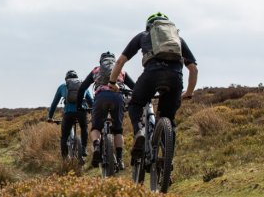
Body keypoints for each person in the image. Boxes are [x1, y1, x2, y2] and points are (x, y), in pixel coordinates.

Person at [108, 12, 198, 161]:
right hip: (175, 78)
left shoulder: (143, 35)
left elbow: (120, 62)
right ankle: (167, 161)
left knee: (135, 104)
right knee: (168, 118)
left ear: (149, 26)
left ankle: (140, 132)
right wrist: (189, 92)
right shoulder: (178, 40)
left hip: (151, 75)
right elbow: (193, 69)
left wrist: (112, 83)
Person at [76, 51, 135, 170]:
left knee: (96, 128)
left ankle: (97, 146)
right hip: (117, 98)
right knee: (118, 130)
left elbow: (82, 88)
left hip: (101, 97)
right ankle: (119, 160)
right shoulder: (121, 70)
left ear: (101, 62)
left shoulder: (96, 70)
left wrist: (79, 105)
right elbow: (134, 87)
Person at [47, 70, 93, 159]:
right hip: (81, 112)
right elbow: (91, 102)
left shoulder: (62, 87)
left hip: (68, 113)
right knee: (84, 128)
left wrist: (50, 117)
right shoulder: (83, 86)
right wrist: (94, 113)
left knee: (64, 136)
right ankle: (83, 149)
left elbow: (54, 103)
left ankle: (64, 158)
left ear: (66, 79)